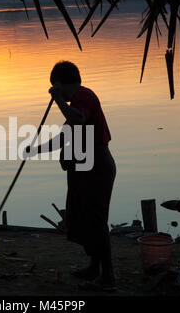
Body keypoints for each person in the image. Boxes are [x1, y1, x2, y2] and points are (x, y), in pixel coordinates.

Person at [25, 61, 117, 291]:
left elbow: (78, 119)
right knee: (85, 218)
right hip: (86, 169)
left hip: (97, 168)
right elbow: (63, 136)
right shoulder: (76, 103)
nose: (59, 97)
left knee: (96, 221)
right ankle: (94, 267)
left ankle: (108, 277)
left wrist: (57, 99)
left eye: (56, 88)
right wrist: (36, 149)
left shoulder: (83, 97)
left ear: (61, 84)